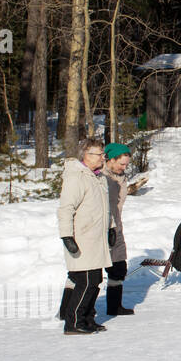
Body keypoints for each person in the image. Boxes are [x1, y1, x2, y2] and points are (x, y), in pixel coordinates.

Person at [57, 138, 114, 335]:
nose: (102, 158)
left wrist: (112, 228)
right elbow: (66, 209)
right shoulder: (77, 177)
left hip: (96, 238)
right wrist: (66, 236)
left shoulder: (99, 178)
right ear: (86, 156)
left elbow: (105, 208)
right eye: (98, 154)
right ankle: (73, 322)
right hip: (82, 238)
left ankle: (87, 318)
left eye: (102, 154)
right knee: (85, 281)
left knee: (95, 280)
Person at [100, 143, 135, 317]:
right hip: (101, 227)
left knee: (119, 266)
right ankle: (69, 310)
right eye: (121, 164)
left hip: (116, 224)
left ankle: (114, 306)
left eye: (126, 164)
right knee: (88, 272)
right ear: (110, 160)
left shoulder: (120, 177)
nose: (124, 167)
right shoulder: (101, 177)